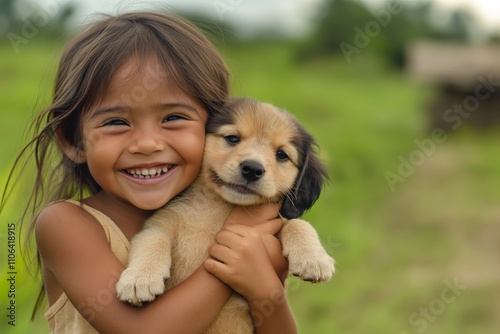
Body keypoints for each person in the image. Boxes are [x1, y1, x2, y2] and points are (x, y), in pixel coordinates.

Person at [2, 11, 297, 334]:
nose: (147, 144)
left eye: (173, 118)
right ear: (74, 141)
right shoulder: (67, 224)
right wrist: (231, 261)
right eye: (116, 122)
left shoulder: (236, 215)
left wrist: (267, 292)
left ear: (214, 129)